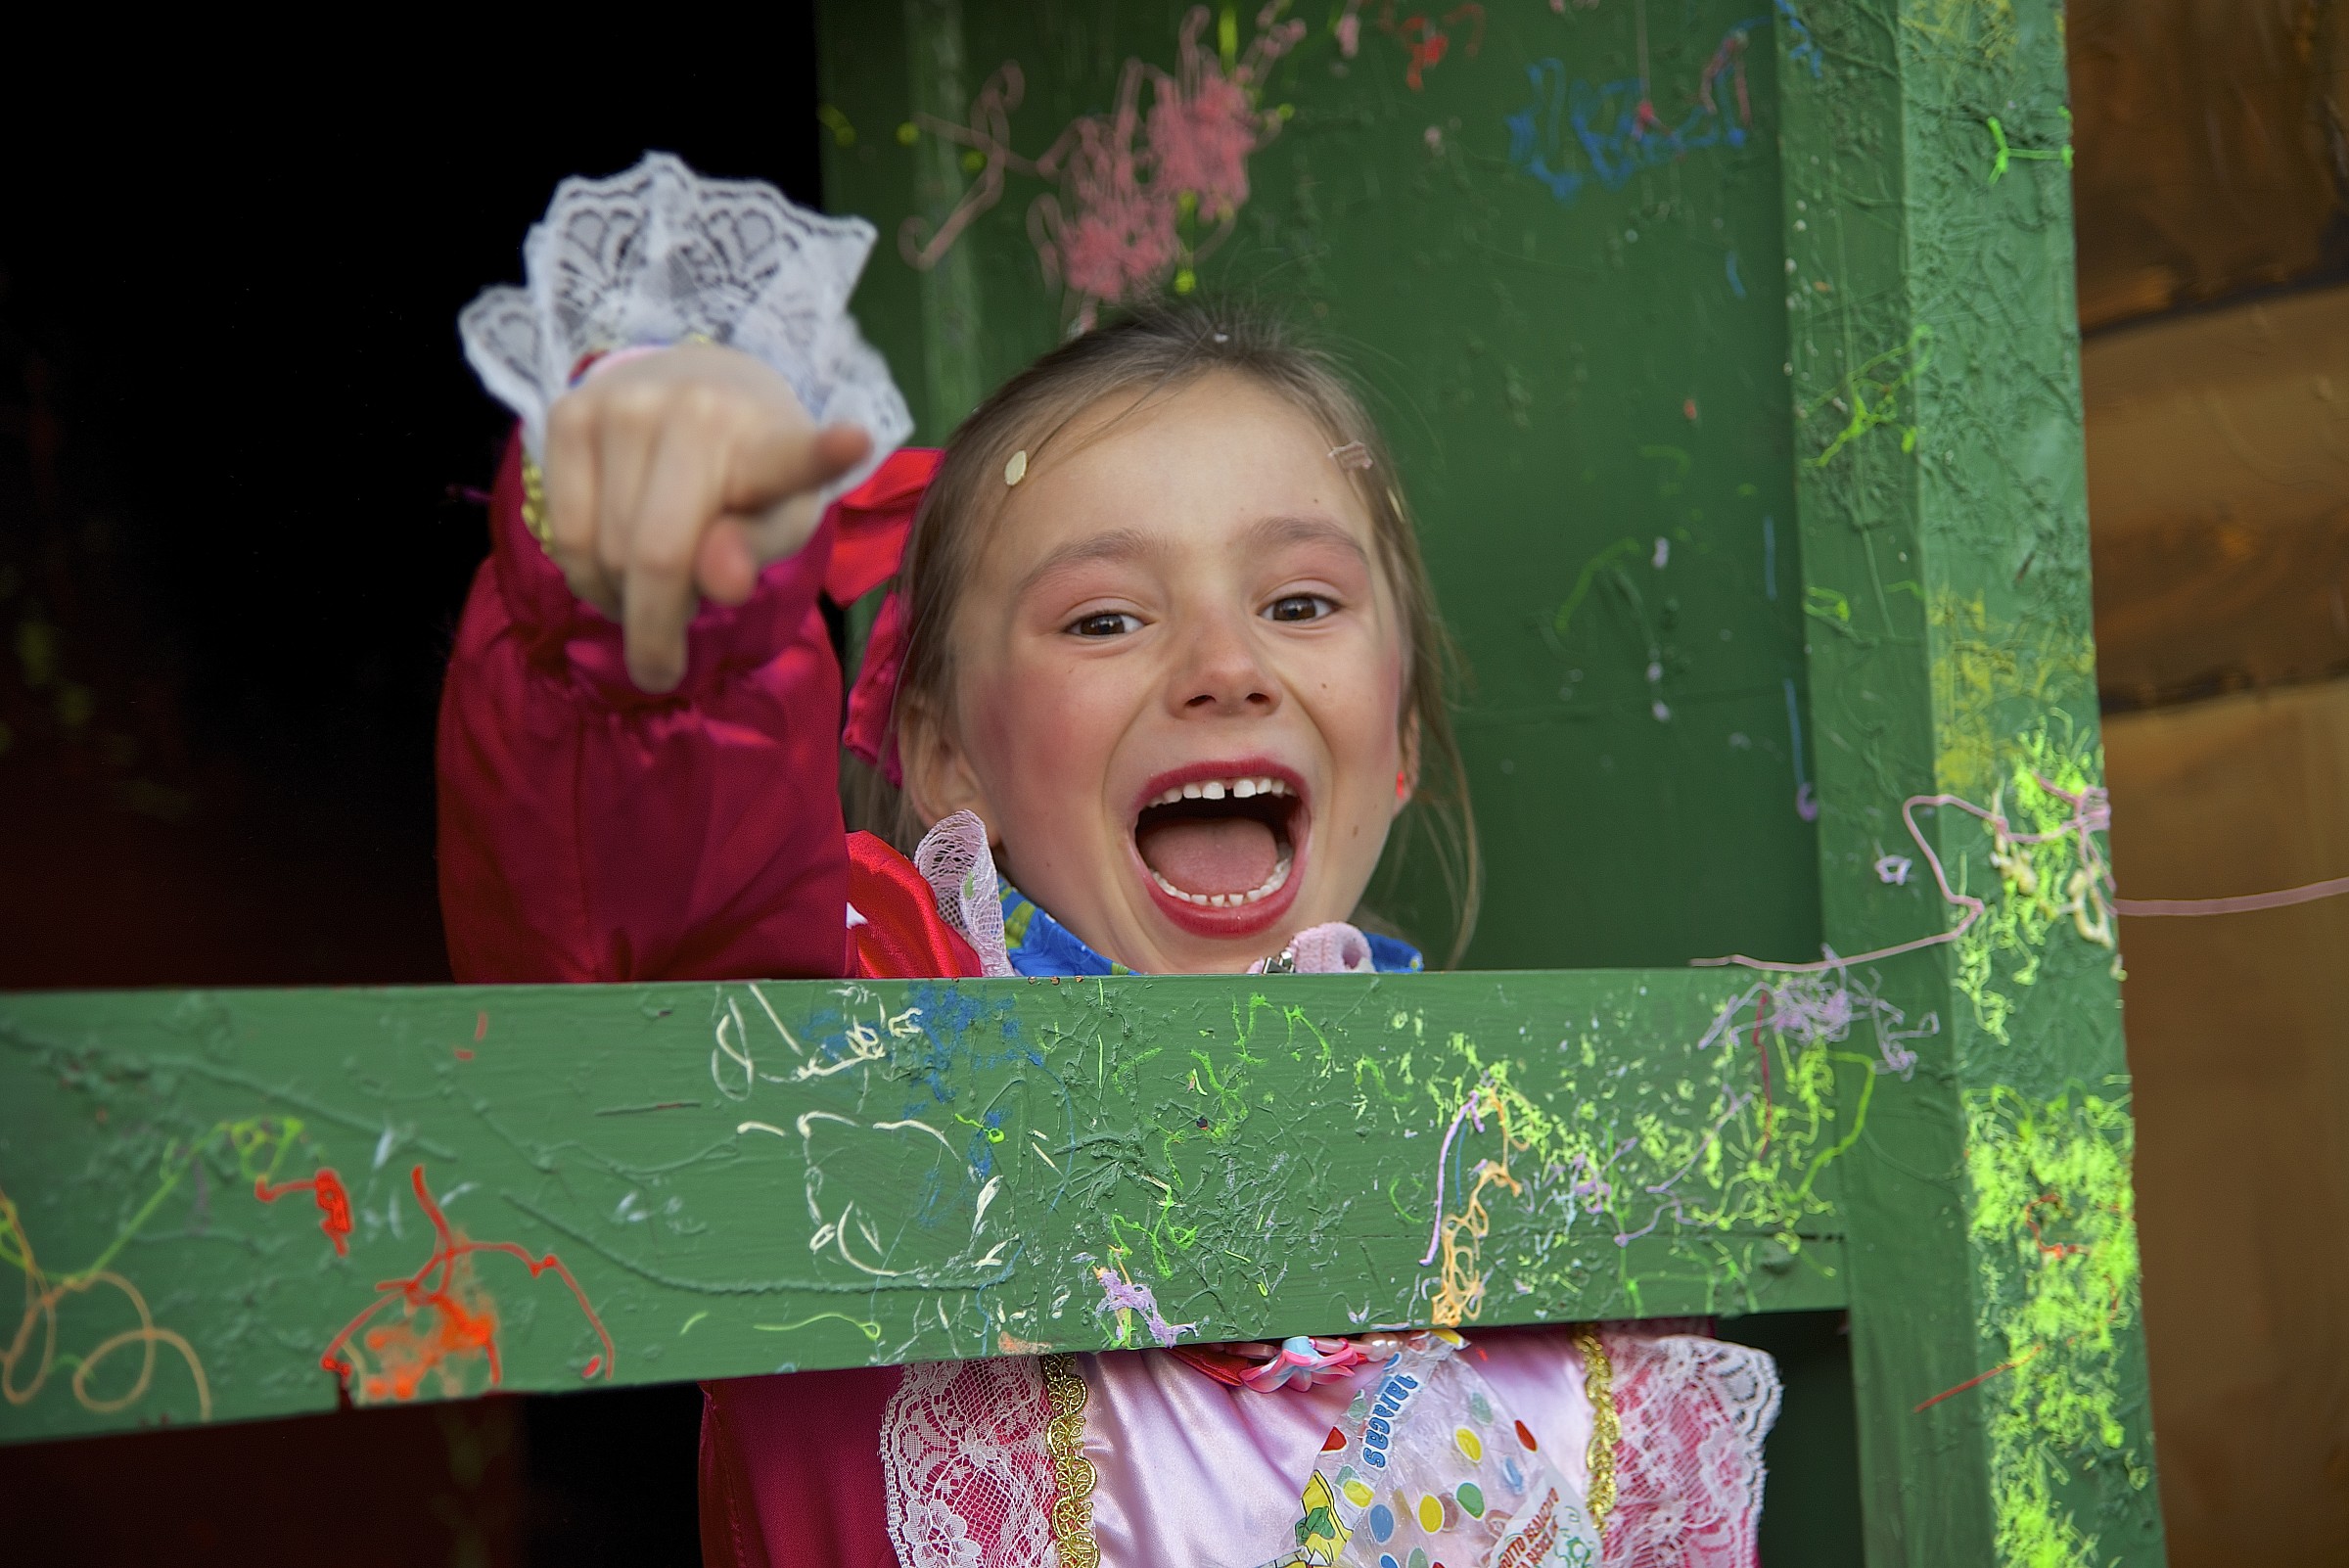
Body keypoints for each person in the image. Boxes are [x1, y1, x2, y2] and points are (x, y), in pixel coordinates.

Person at [443, 155, 1777, 1568]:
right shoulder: (861, 1116)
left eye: (1301, 599)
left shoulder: (1580, 1244)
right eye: (1101, 620)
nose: (1222, 665)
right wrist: (650, 597)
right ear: (949, 758)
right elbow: (648, 917)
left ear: (1396, 737)